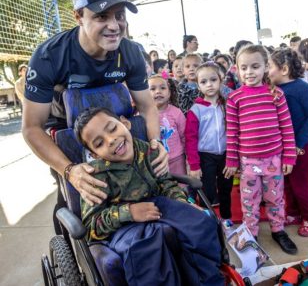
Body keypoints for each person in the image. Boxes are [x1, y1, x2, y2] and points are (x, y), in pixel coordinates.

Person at [21, 0, 169, 233]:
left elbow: (147, 108)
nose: (114, 25)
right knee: (71, 197)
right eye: (102, 16)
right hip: (67, 130)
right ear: (78, 16)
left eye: (119, 15)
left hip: (115, 124)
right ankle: (73, 252)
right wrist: (69, 171)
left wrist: (157, 143)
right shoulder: (49, 56)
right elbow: (31, 128)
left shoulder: (131, 52)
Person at [75, 107, 224, 286]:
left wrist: (182, 202)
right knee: (148, 244)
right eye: (99, 143)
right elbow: (92, 227)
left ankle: (210, 281)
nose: (111, 140)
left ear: (125, 123)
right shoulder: (95, 177)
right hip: (124, 226)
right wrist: (129, 212)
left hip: (159, 207)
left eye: (112, 128)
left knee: (202, 221)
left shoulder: (148, 150)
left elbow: (166, 183)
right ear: (94, 154)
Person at [224, 44, 298, 254]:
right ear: (237, 69)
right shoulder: (234, 98)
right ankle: (251, 232)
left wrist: (289, 157)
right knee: (249, 200)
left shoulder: (276, 94)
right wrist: (231, 161)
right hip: (248, 162)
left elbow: (287, 127)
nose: (249, 72)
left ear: (265, 67)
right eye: (244, 67)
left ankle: (278, 230)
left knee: (275, 198)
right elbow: (232, 133)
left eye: (255, 66)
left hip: (274, 160)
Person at [268, 48, 308, 237]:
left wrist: (298, 143)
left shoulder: (304, 89)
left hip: (303, 146)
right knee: (287, 183)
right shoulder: (274, 90)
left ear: (284, 69)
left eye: (269, 66)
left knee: (301, 183)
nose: (266, 71)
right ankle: (293, 212)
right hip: (283, 146)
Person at [185, 62, 233, 226]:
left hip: (226, 155)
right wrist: (194, 165)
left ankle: (227, 218)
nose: (209, 84)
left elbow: (234, 131)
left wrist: (235, 158)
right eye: (203, 82)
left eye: (213, 80)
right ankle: (208, 220)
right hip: (205, 157)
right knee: (208, 191)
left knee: (226, 188)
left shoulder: (227, 105)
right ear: (198, 85)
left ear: (221, 80)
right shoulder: (196, 110)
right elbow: (190, 139)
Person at [148, 74, 186, 176]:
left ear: (169, 93)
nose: (158, 91)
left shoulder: (176, 113)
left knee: (182, 189)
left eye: (163, 88)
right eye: (152, 89)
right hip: (155, 162)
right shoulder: (142, 115)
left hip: (177, 160)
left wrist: (189, 162)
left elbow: (185, 137)